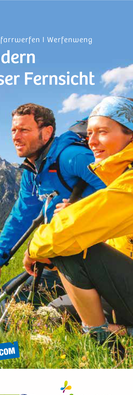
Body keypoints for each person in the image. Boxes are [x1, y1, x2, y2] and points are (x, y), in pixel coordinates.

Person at [23, 96, 133, 342]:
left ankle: (104, 340)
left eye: (103, 132)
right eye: (90, 133)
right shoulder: (119, 178)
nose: (92, 142)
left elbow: (65, 235)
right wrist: (75, 213)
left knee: (66, 245)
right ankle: (110, 329)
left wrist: (34, 247)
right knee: (51, 313)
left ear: (131, 136)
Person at [0, 103, 105, 320]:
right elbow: (21, 216)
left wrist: (80, 208)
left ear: (46, 132)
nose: (16, 137)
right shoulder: (32, 171)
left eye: (24, 130)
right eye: (13, 130)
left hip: (95, 255)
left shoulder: (71, 157)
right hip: (61, 254)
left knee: (49, 315)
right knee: (10, 302)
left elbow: (117, 191)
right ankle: (10, 349)